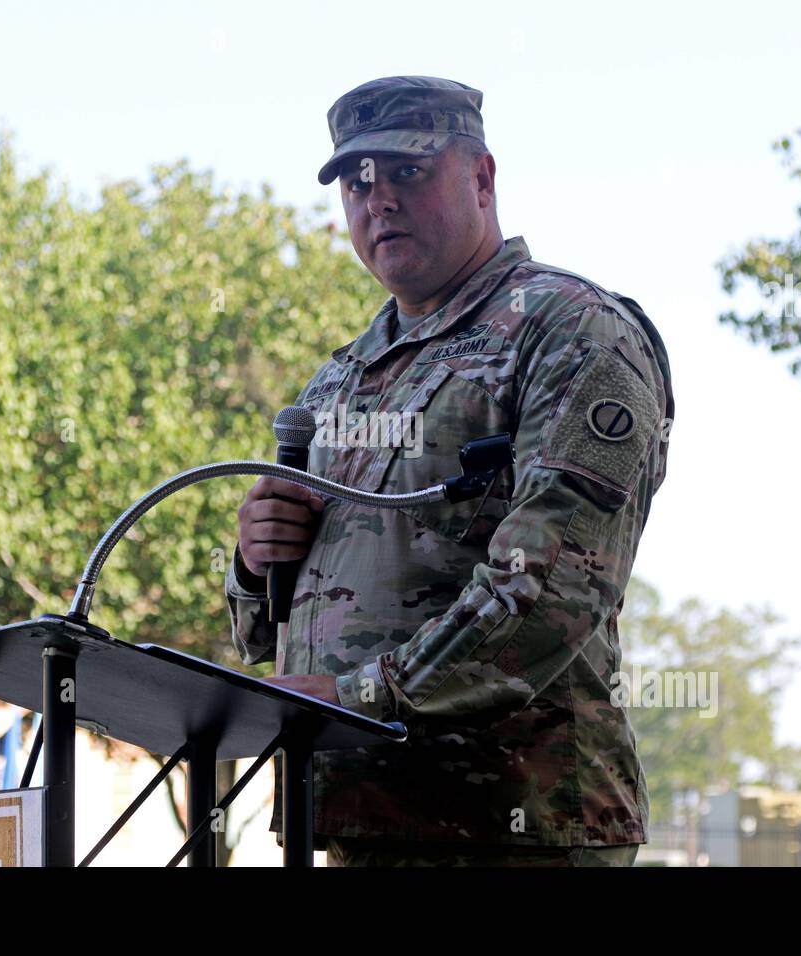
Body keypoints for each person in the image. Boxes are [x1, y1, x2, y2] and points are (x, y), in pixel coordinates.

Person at [225, 75, 674, 866]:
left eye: (406, 172)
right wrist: (255, 560)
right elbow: (269, 633)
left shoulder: (571, 329)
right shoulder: (339, 380)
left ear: (482, 178)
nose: (379, 200)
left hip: (517, 823)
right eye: (358, 183)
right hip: (356, 820)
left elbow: (554, 584)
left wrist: (363, 700)